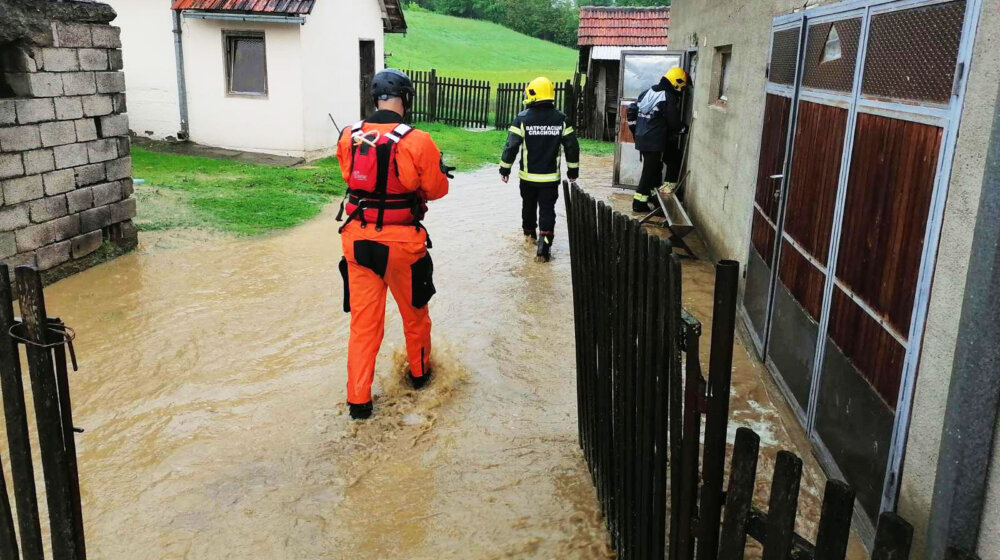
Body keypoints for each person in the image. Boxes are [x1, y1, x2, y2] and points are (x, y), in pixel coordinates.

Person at [335, 69, 454, 420]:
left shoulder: (348, 135)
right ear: (406, 97)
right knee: (415, 317)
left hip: (357, 241)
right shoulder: (419, 141)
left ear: (375, 98)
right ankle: (419, 379)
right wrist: (437, 170)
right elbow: (436, 189)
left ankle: (358, 402)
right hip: (402, 244)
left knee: (363, 324)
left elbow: (349, 176)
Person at [499, 76, 581, 262]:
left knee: (528, 207)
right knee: (547, 210)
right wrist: (573, 172)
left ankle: (529, 238)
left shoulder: (522, 118)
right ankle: (544, 247)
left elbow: (511, 146)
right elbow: (572, 147)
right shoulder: (562, 119)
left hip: (528, 178)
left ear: (533, 94)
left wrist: (504, 169)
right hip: (550, 179)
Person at [627, 66, 689, 213]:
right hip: (654, 140)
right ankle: (638, 203)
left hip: (643, 138)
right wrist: (682, 128)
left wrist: (637, 131)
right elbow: (672, 120)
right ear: (676, 82)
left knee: (655, 168)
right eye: (682, 86)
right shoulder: (667, 96)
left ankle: (655, 198)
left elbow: (632, 111)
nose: (682, 89)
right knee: (649, 171)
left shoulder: (649, 91)